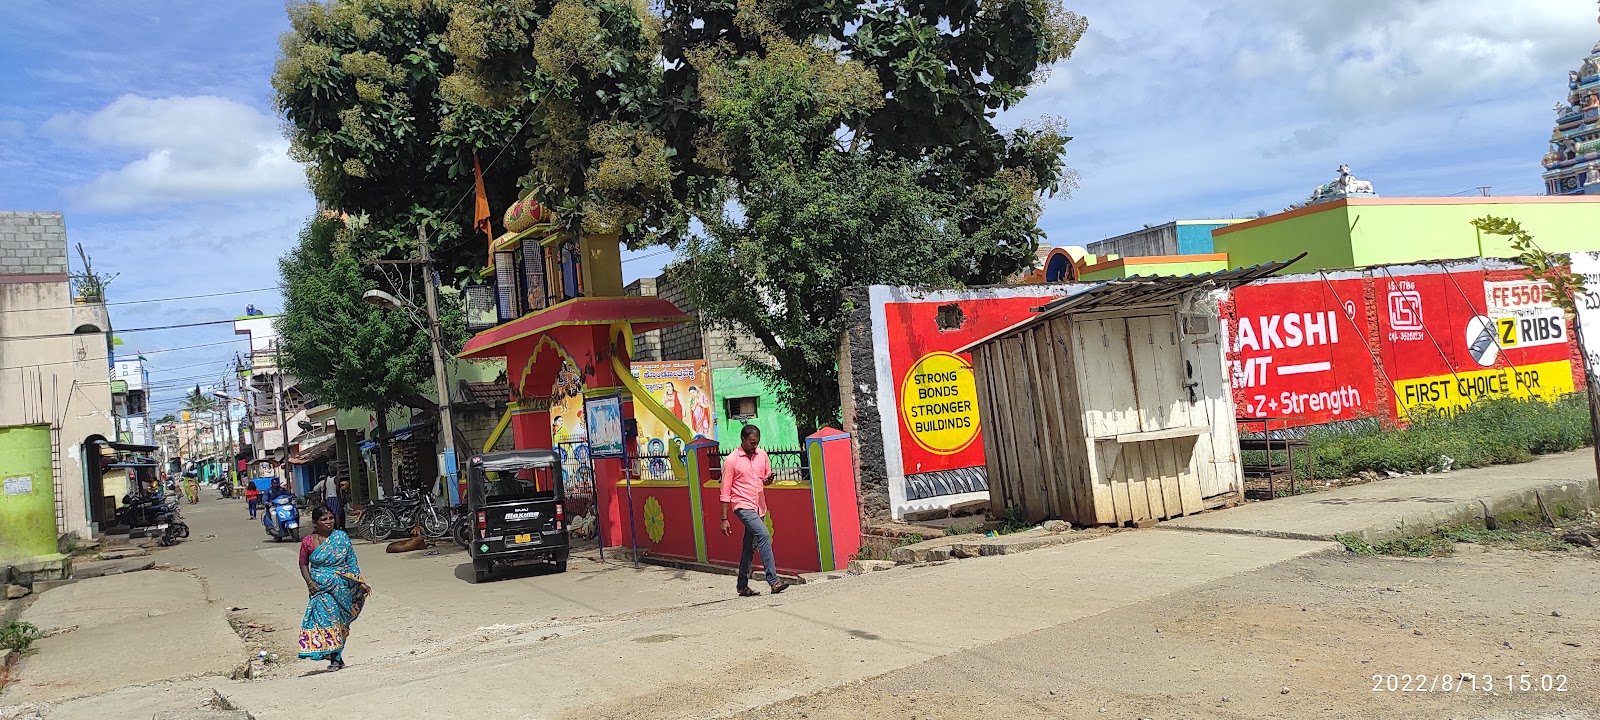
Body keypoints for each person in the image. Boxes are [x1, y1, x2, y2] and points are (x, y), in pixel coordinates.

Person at [297, 506, 370, 671]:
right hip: (320, 589)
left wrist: (360, 581)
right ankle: (336, 659)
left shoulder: (341, 537)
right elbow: (303, 564)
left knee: (341, 622)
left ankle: (335, 655)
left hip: (342, 587)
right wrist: (309, 582)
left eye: (330, 518)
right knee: (327, 621)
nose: (329, 522)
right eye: (324, 519)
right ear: (315, 523)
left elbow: (351, 561)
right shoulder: (308, 542)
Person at [719, 425, 789, 597]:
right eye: (751, 442)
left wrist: (769, 480)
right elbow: (725, 491)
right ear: (742, 440)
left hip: (759, 505)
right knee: (764, 535)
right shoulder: (731, 461)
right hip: (742, 506)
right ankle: (773, 581)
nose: (754, 446)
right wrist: (724, 518)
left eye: (756, 443)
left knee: (749, 547)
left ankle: (742, 585)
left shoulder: (762, 455)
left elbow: (764, 480)